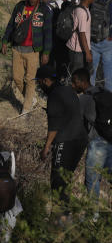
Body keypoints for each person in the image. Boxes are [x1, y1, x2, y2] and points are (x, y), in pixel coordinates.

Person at [37, 65, 88, 205]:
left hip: (67, 141)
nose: (39, 85)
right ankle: (65, 215)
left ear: (46, 81)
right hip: (81, 140)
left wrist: (46, 147)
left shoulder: (54, 96)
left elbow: (54, 126)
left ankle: (60, 219)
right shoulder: (68, 89)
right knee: (65, 179)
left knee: (58, 182)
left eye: (39, 82)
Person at [2, 0, 53, 115]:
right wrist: (4, 41)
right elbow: (10, 25)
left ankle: (25, 110)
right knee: (17, 78)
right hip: (17, 48)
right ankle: (31, 99)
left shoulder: (44, 10)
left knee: (30, 80)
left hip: (33, 51)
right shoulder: (20, 6)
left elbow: (48, 33)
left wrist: (46, 52)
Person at [70, 68, 112, 201]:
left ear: (82, 82)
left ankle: (92, 216)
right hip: (110, 139)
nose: (73, 85)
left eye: (74, 82)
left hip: (97, 144)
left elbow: (77, 126)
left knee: (92, 181)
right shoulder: (104, 91)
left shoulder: (84, 99)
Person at [67, 0, 95, 77]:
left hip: (79, 49)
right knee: (76, 77)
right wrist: (88, 53)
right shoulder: (82, 12)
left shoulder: (82, 8)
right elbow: (82, 34)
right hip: (78, 51)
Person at [91, 0, 112, 91]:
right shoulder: (111, 4)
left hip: (93, 40)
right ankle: (109, 95)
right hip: (107, 41)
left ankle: (90, 94)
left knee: (92, 70)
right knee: (108, 71)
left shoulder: (96, 2)